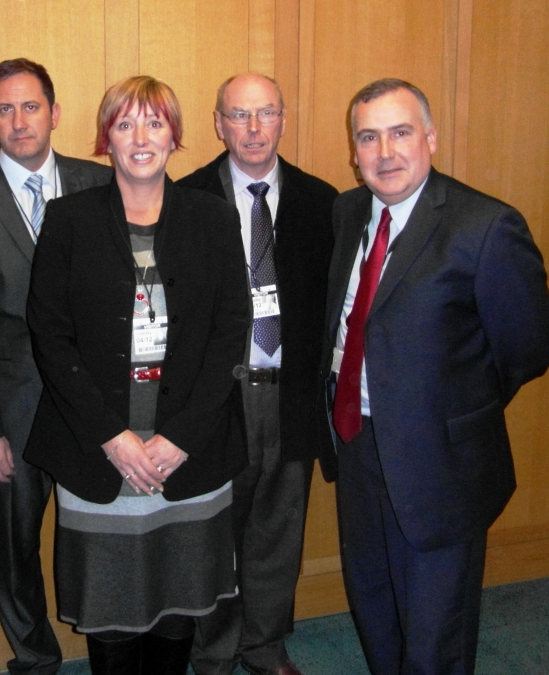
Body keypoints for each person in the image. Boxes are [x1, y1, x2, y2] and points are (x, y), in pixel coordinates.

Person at [321, 78, 549, 674]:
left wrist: (452, 409)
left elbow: (530, 347)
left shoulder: (486, 227)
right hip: (356, 445)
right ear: (354, 151)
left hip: (441, 465)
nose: (385, 152)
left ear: (430, 137)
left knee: (435, 639)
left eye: (401, 132)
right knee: (374, 607)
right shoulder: (349, 211)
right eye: (369, 137)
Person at [25, 75, 250, 675]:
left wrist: (179, 438)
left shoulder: (213, 217)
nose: (141, 137)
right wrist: (112, 436)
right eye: (125, 124)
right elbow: (50, 334)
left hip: (189, 448)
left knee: (179, 603)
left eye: (154, 122)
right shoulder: (68, 219)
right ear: (107, 139)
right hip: (99, 450)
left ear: (176, 134)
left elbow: (231, 331)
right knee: (110, 606)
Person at [0, 58, 111, 675]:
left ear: (55, 113)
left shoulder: (99, 184)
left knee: (103, 535)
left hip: (96, 406)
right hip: (11, 411)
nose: (18, 120)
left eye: (30, 106)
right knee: (16, 547)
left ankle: (110, 643)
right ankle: (36, 658)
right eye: (4, 109)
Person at [179, 74, 337, 675]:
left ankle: (265, 646)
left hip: (288, 394)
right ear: (218, 123)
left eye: (265, 113)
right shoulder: (186, 198)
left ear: (283, 119)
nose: (252, 128)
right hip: (216, 397)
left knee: (278, 527)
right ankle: (213, 651)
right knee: (213, 529)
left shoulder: (323, 202)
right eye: (239, 115)